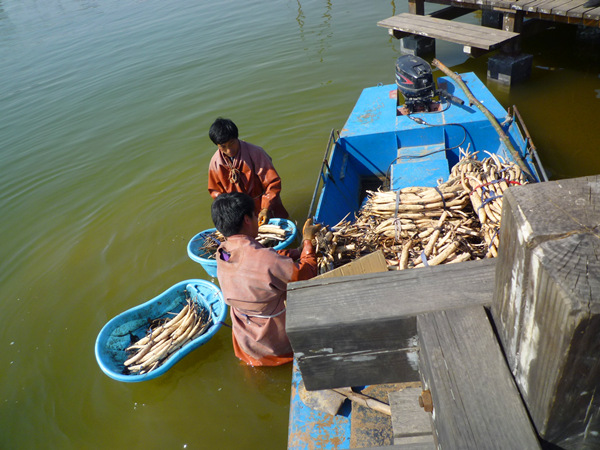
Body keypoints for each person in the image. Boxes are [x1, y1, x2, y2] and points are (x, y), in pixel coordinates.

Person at [211, 192, 321, 366]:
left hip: (244, 336)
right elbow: (305, 274)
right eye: (254, 215)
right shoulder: (265, 261)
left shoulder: (222, 252)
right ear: (247, 219)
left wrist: (295, 252)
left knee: (251, 364)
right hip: (271, 340)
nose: (257, 219)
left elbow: (262, 259)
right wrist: (307, 244)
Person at [207, 117, 288, 226]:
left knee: (277, 229)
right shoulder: (215, 163)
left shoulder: (256, 153)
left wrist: (265, 208)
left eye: (232, 143)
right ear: (217, 145)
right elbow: (217, 194)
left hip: (264, 204)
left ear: (237, 137)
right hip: (240, 212)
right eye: (223, 147)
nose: (229, 150)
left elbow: (273, 183)